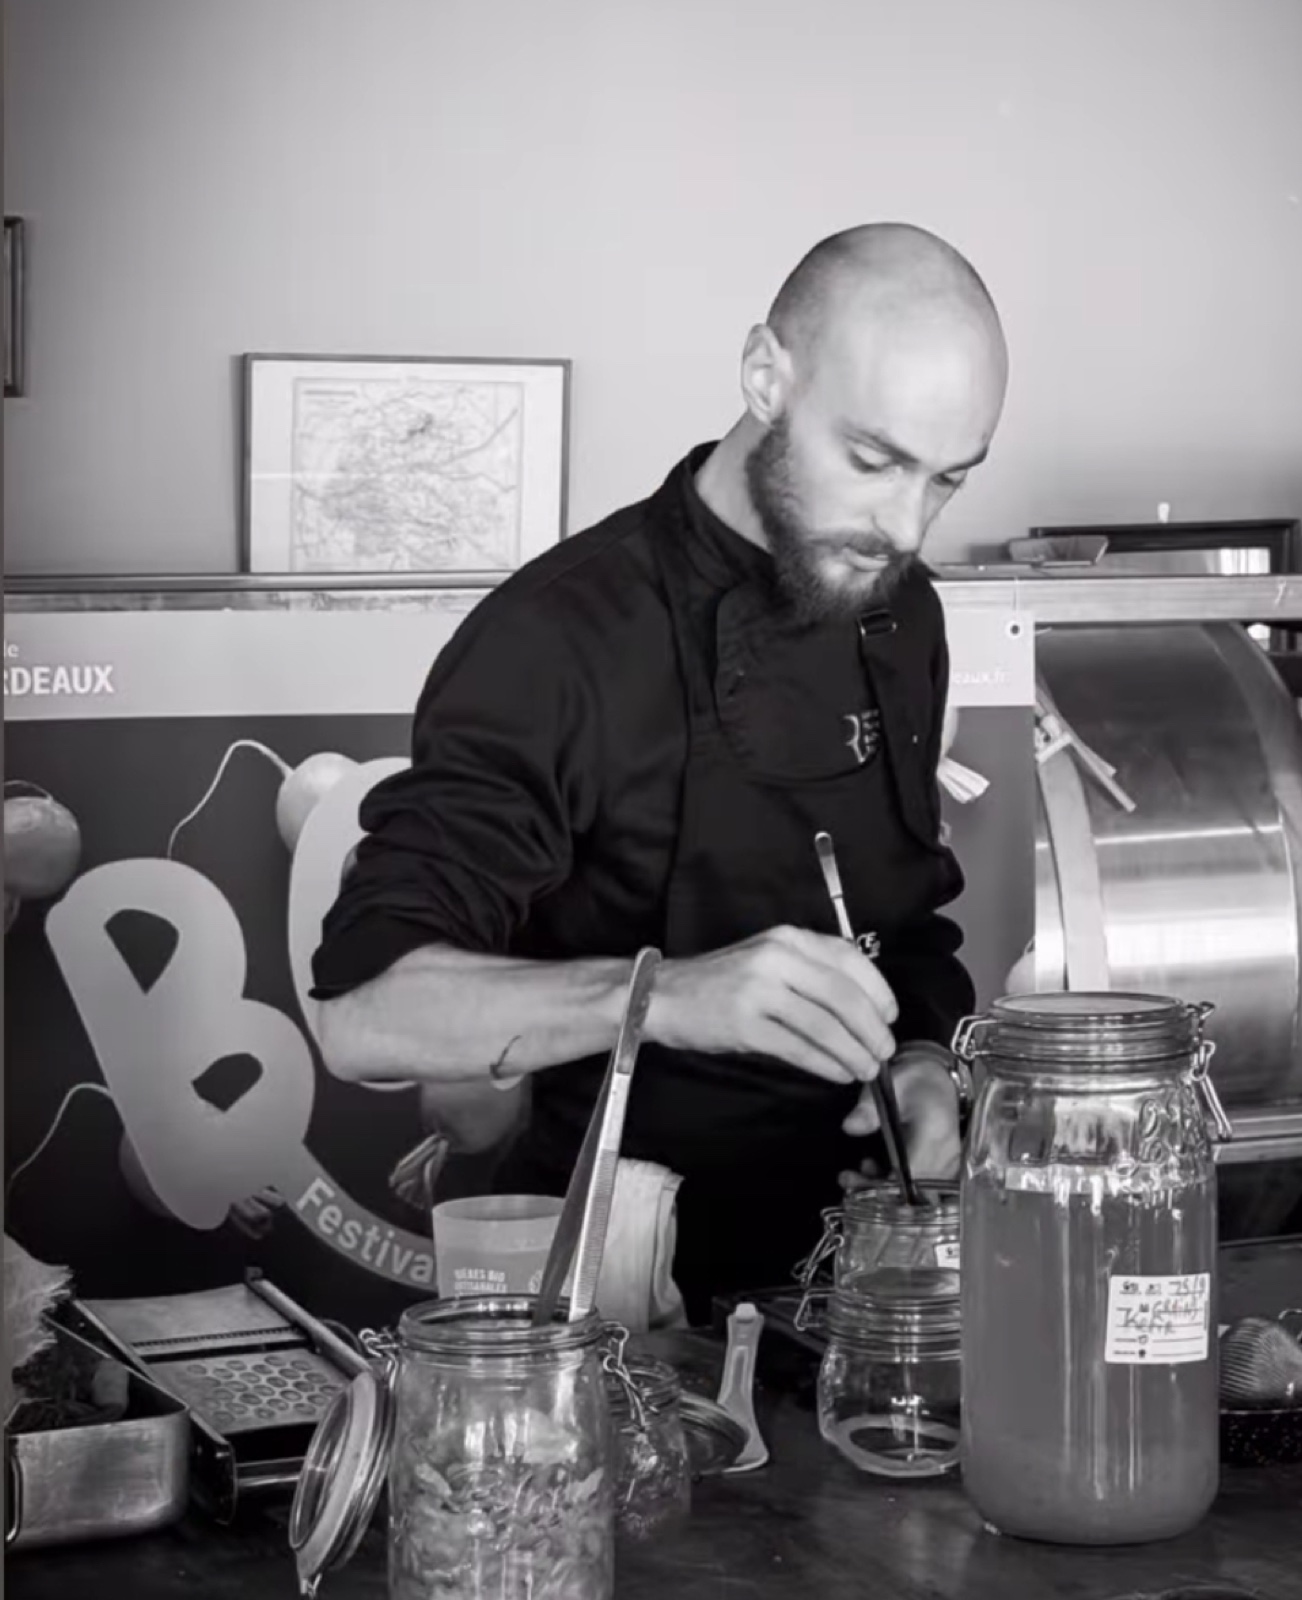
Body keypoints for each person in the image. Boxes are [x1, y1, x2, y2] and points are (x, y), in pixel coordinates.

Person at [310, 222, 1010, 1323]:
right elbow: (362, 1012)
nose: (904, 526)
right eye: (874, 462)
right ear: (765, 376)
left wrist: (922, 1059)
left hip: (849, 1289)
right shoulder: (558, 637)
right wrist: (665, 995)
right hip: (617, 1296)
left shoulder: (902, 609)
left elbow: (904, 917)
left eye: (947, 481)